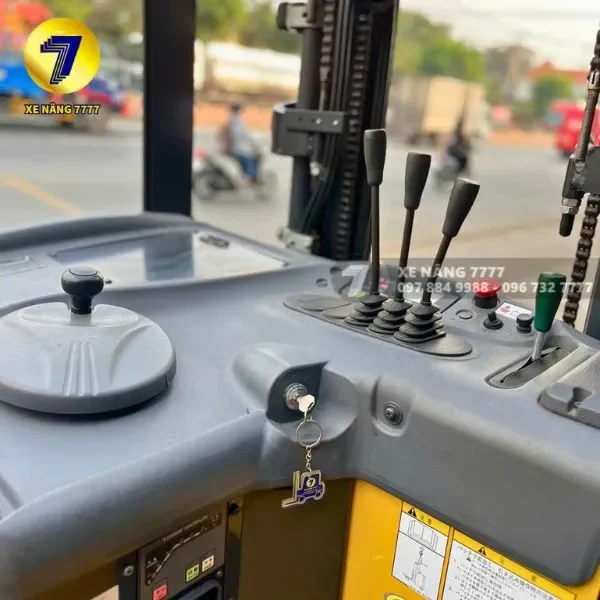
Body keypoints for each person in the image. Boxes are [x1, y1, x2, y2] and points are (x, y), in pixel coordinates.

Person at [221, 103, 260, 184]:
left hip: (236, 144)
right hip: (236, 146)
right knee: (250, 156)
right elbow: (238, 134)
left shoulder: (233, 119)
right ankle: (250, 176)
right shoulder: (236, 120)